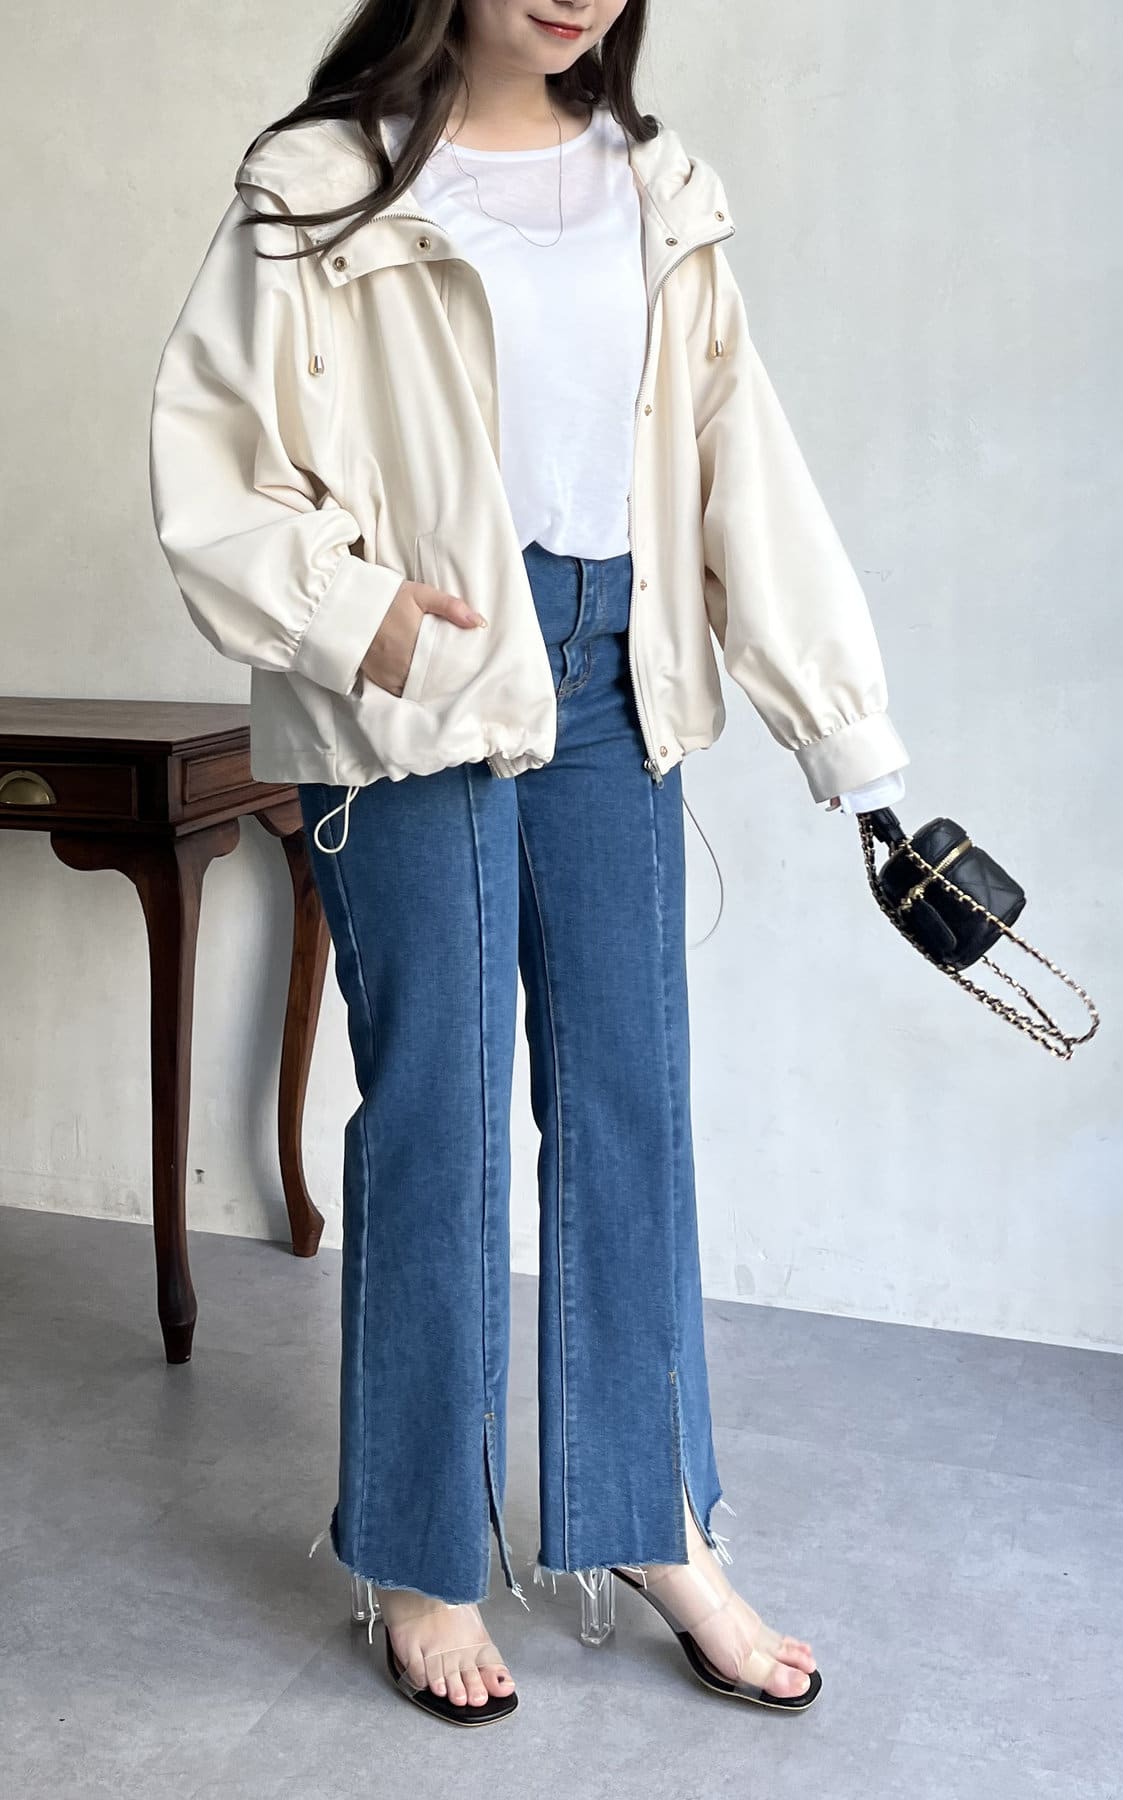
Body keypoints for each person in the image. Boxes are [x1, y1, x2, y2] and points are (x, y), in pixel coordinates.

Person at [148, 0, 909, 1729]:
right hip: (421, 669)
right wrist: (359, 617)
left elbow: (740, 465)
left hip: (616, 665)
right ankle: (420, 1552)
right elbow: (211, 465)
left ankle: (655, 1521)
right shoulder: (319, 182)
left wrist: (845, 731)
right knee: (441, 1111)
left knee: (631, 1094)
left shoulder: (660, 185)